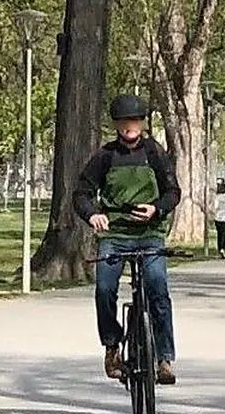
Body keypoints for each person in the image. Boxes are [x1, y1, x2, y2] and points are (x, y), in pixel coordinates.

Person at [74, 93, 182, 385]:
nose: (129, 126)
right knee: (104, 288)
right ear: (116, 125)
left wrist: (156, 208)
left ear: (143, 124)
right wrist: (93, 214)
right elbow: (81, 193)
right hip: (115, 235)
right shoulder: (105, 156)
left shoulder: (154, 153)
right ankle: (112, 346)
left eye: (134, 121)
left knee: (158, 287)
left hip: (150, 235)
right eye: (123, 121)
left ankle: (164, 358)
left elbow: (173, 192)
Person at [213, 178, 225, 259]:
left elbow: (215, 207)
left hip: (218, 218)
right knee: (224, 234)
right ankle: (223, 248)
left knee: (219, 234)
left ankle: (220, 248)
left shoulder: (217, 197)